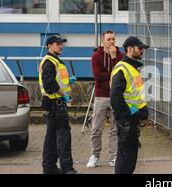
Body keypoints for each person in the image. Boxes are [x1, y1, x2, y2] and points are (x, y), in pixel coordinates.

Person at [39, 35, 79, 174]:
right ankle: (68, 169)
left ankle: (49, 167)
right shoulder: (49, 61)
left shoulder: (55, 61)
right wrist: (64, 95)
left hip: (54, 105)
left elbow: (58, 81)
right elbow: (50, 85)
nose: (60, 46)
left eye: (61, 44)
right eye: (57, 44)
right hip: (57, 104)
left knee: (51, 138)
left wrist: (69, 82)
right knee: (63, 137)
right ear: (50, 45)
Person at [110, 36, 149, 174]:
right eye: (140, 48)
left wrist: (141, 111)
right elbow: (115, 98)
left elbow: (135, 95)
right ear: (130, 49)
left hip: (131, 121)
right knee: (125, 161)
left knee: (129, 160)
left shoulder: (132, 68)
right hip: (126, 122)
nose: (142, 51)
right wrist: (129, 113)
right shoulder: (122, 69)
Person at [86, 30, 124, 168]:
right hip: (101, 95)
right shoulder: (96, 56)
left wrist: (114, 58)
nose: (112, 42)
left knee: (114, 129)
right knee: (96, 127)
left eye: (113, 39)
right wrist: (111, 76)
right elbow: (97, 76)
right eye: (109, 39)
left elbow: (119, 75)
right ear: (103, 41)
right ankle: (95, 155)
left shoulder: (120, 55)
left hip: (115, 96)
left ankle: (113, 157)